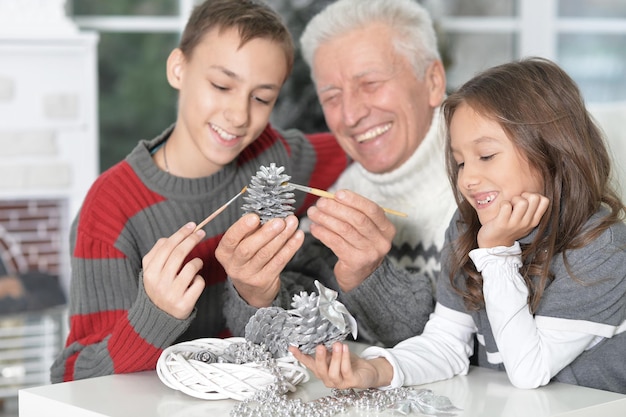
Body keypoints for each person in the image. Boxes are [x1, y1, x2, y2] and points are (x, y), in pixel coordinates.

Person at [50, 0, 348, 383]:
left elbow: (358, 148)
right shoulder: (110, 209)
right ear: (178, 68)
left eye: (261, 98)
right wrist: (155, 313)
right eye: (221, 85)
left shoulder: (274, 156)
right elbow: (73, 378)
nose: (239, 115)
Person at [291, 57, 626, 394]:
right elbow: (446, 344)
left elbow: (528, 371)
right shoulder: (467, 226)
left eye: (486, 156)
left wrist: (497, 253)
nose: (468, 179)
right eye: (460, 161)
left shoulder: (601, 246)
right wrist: (376, 370)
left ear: (552, 151)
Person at [218, 0, 457, 347]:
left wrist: (371, 278)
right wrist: (254, 293)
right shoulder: (338, 201)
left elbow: (465, 351)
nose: (350, 115)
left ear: (433, 81)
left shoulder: (495, 187)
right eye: (331, 96)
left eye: (371, 83)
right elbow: (294, 338)